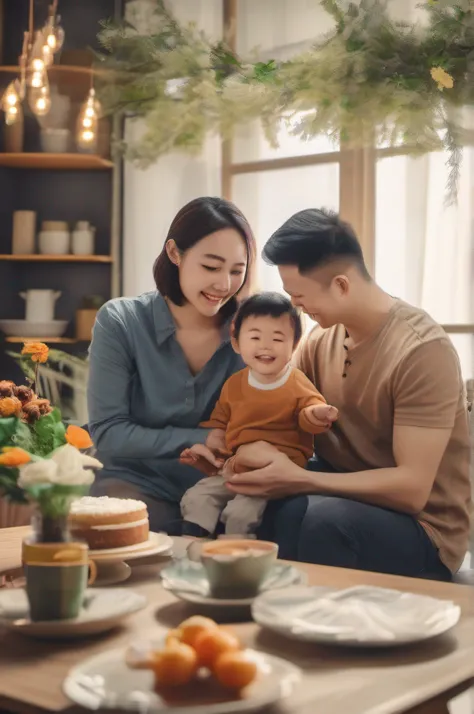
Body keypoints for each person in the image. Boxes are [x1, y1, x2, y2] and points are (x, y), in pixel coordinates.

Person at [224, 208, 471, 580]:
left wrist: (301, 479)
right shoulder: (320, 341)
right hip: (344, 491)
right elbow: (280, 418)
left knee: (321, 520)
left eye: (300, 295)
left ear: (341, 285)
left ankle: (315, 627)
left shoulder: (421, 351)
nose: (296, 307)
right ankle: (270, 620)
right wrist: (232, 454)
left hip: (422, 530)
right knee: (270, 507)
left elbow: (411, 490)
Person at [87, 197, 256, 533]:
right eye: (211, 267)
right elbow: (108, 432)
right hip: (135, 485)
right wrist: (199, 437)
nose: (224, 284)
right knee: (144, 538)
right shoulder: (121, 321)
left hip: (223, 489)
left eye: (237, 270)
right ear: (175, 253)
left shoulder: (251, 329)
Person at [179, 292, 338, 537]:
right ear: (236, 343)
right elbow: (219, 422)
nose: (265, 346)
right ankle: (194, 541)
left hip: (275, 470)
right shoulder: (234, 384)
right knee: (199, 495)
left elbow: (309, 413)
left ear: (294, 345)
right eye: (255, 337)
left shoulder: (295, 382)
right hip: (237, 465)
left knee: (241, 511)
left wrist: (317, 414)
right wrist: (209, 450)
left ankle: (238, 551)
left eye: (277, 338)